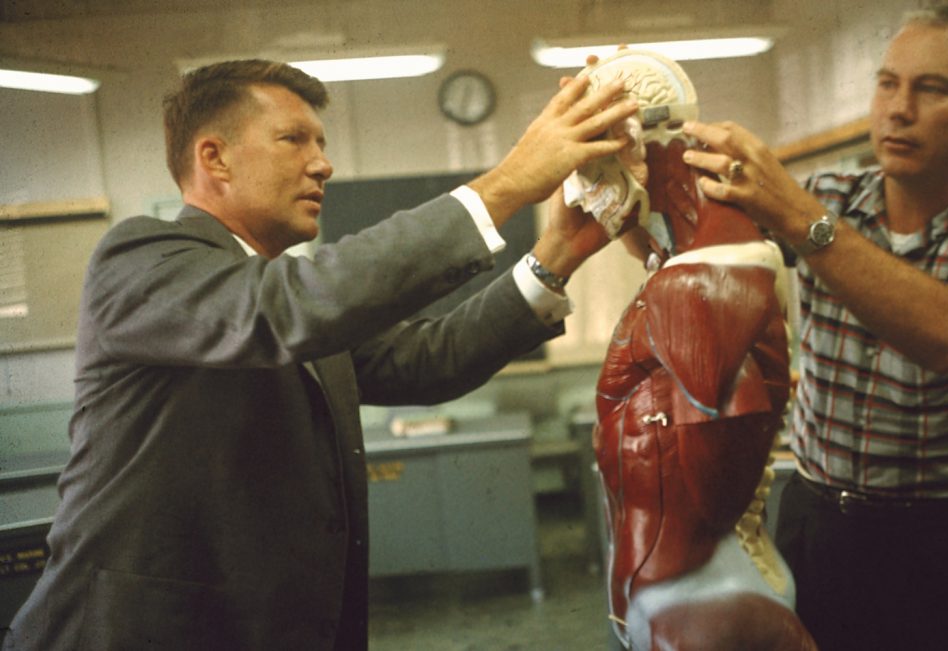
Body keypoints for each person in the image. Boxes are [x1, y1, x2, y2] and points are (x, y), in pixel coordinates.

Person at [1, 59, 638, 650]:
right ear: (214, 158)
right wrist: (506, 184)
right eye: (294, 140)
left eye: (323, 144)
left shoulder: (290, 298)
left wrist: (557, 253)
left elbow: (429, 358)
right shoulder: (142, 259)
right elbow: (289, 308)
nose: (322, 164)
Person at [681, 6, 948, 650]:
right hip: (817, 526)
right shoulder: (830, 195)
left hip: (943, 547)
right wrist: (642, 158)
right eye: (888, 83)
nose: (898, 109)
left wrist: (804, 220)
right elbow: (697, 246)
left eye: (933, 88)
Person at [567, 49, 817, 651]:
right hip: (672, 580)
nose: (579, 195)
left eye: (590, 170)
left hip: (700, 592)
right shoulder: (681, 273)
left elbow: (715, 484)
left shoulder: (699, 288)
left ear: (628, 146)